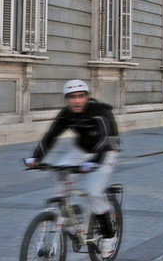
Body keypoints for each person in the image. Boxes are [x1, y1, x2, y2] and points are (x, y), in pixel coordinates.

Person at [26, 79, 119, 242]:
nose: (76, 101)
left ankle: (109, 236)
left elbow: (106, 138)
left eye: (80, 96)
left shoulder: (98, 111)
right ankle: (68, 211)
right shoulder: (66, 114)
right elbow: (51, 136)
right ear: (66, 99)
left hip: (105, 150)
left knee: (92, 192)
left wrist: (94, 162)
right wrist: (36, 157)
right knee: (59, 170)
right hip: (81, 149)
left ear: (87, 97)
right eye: (72, 97)